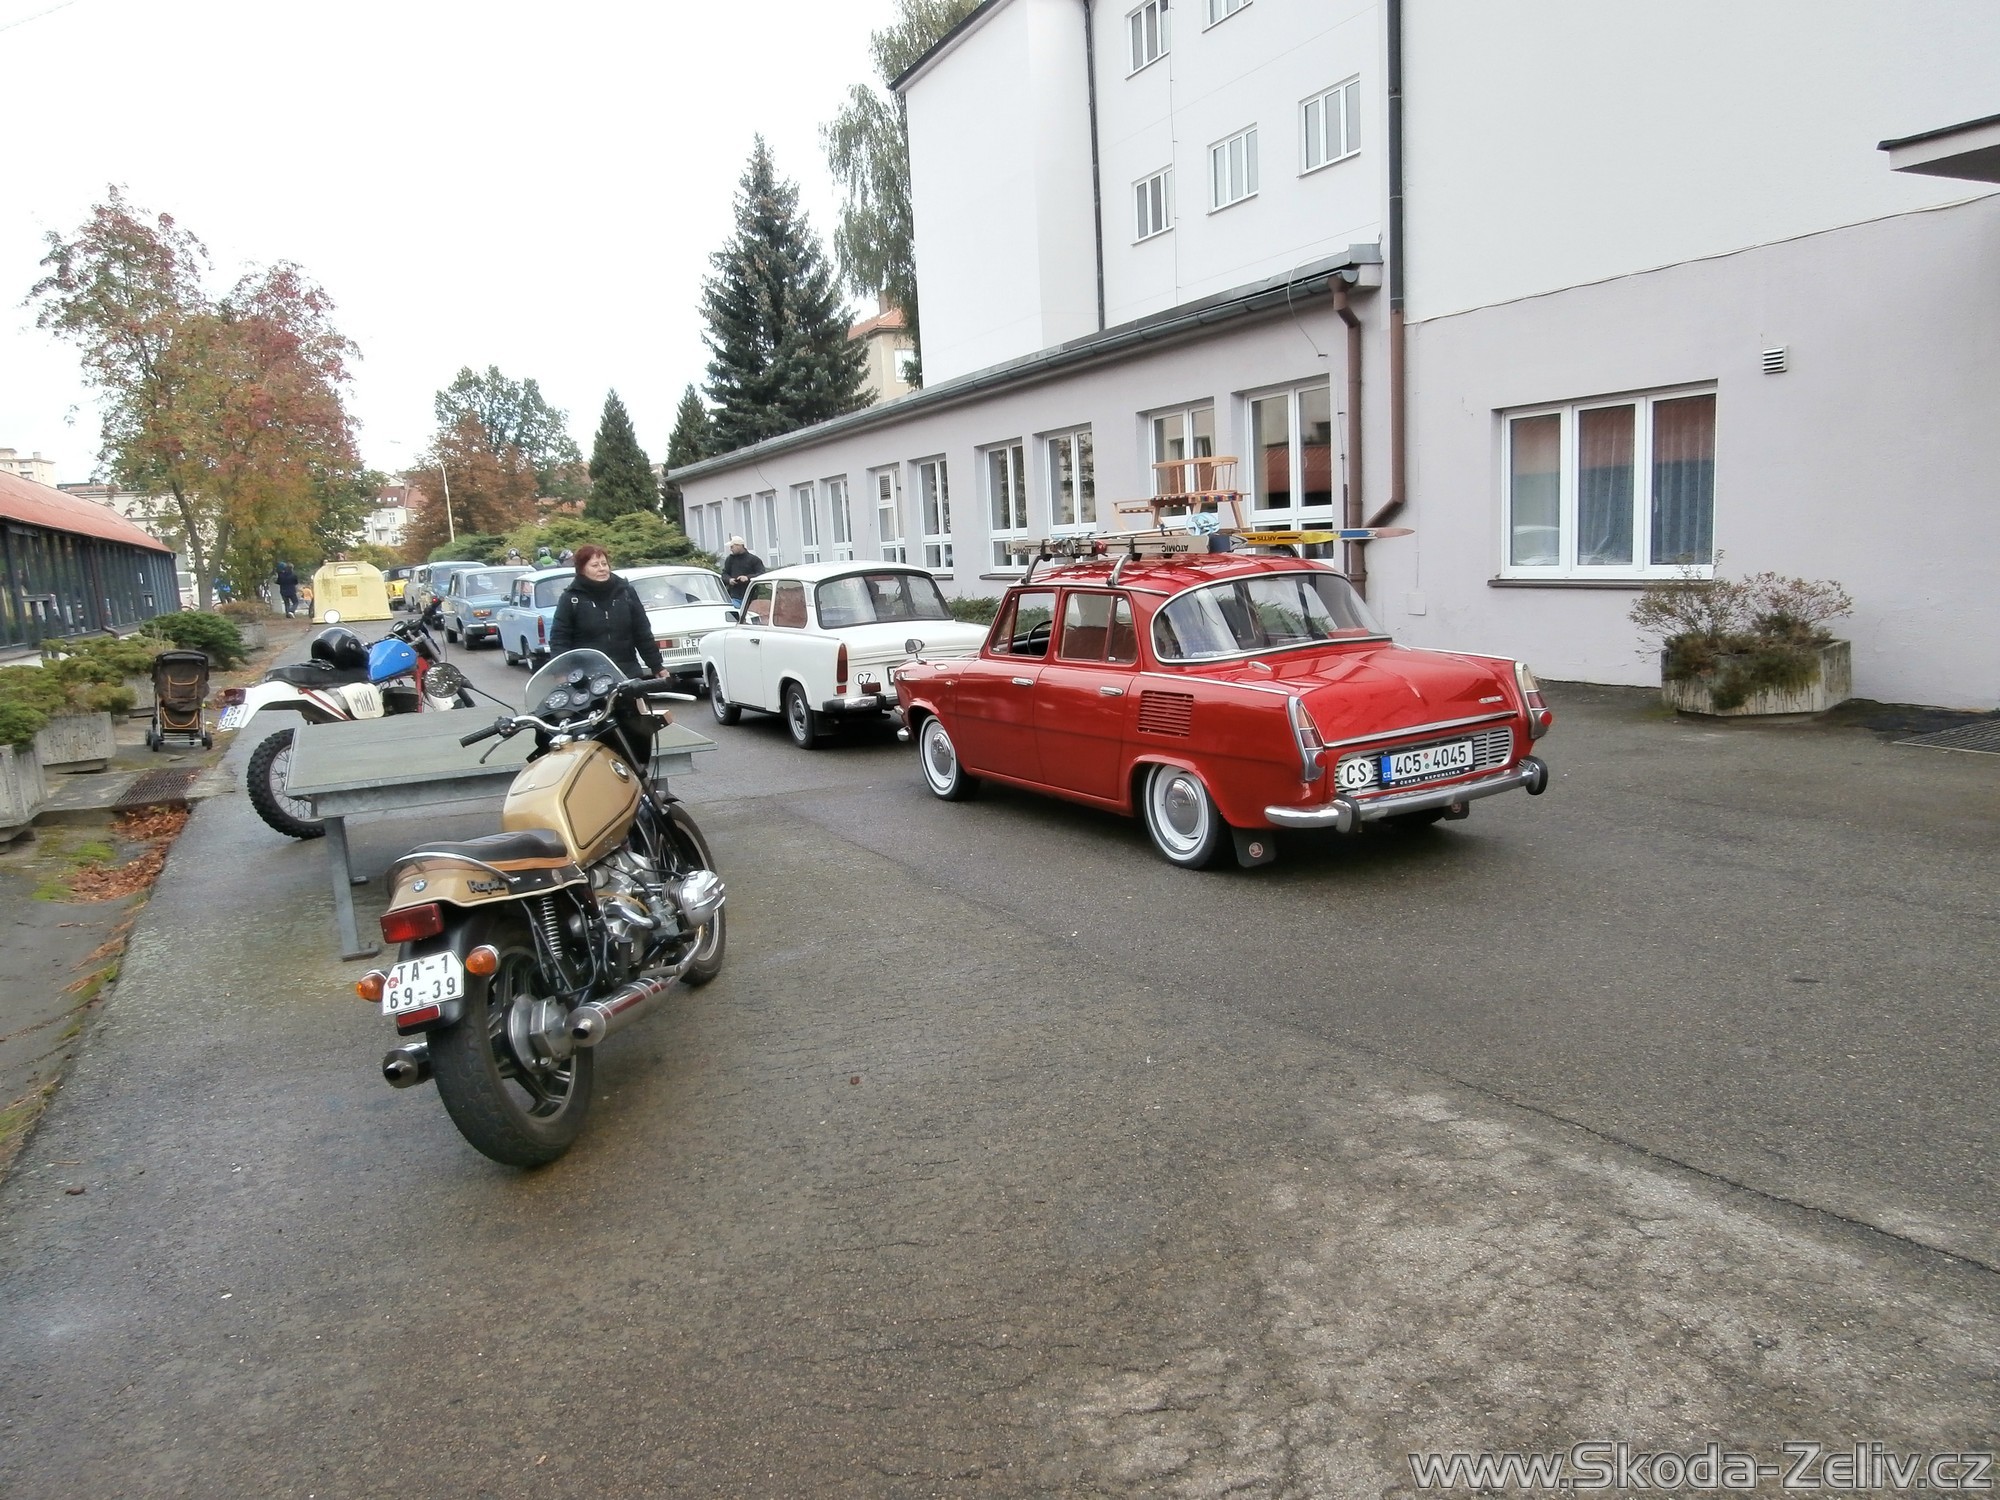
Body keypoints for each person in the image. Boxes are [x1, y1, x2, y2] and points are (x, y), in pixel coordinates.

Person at [548, 546, 668, 772]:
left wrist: (657, 666)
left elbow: (642, 632)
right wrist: (561, 671)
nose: (602, 569)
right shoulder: (571, 598)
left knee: (635, 730)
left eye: (604, 563)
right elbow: (559, 637)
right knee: (597, 731)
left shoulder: (626, 592)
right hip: (588, 680)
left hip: (626, 674)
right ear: (582, 569)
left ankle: (638, 774)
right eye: (595, 565)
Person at [721, 535, 765, 605]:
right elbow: (724, 574)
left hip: (751, 597)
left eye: (732, 547)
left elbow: (762, 574)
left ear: (739, 546)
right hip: (734, 596)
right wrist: (729, 580)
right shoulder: (730, 559)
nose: (730, 549)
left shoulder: (754, 560)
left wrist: (747, 578)